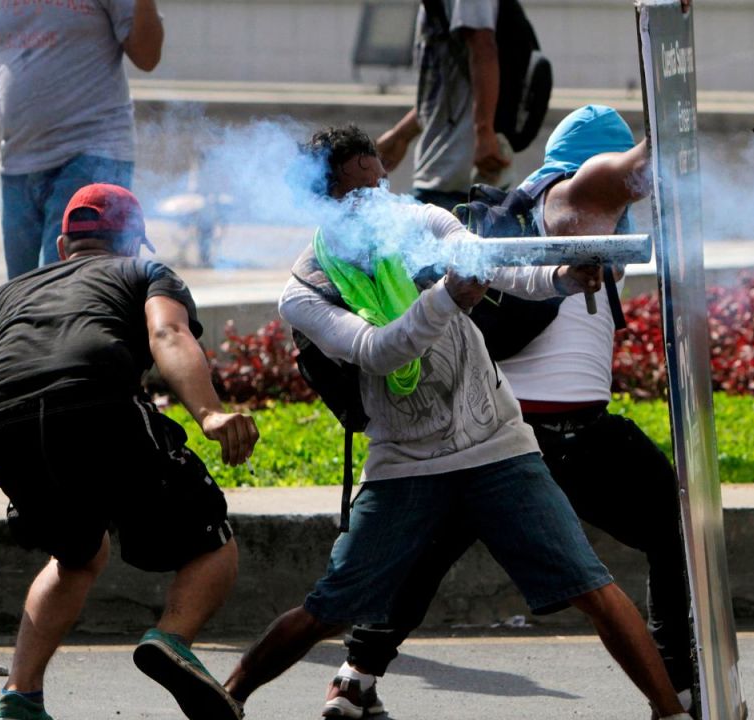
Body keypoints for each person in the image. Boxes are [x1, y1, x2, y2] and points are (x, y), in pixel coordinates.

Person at [219, 125, 692, 720]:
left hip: (497, 444)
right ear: (322, 203)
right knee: (330, 608)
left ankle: (671, 712)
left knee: (592, 588)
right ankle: (226, 698)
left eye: (378, 184)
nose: (375, 201)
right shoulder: (306, 289)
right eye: (355, 192)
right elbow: (378, 351)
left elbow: (490, 263)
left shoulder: (415, 222)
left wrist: (562, 279)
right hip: (406, 461)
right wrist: (447, 297)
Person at [0, 184, 257, 720]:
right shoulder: (143, 273)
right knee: (211, 543)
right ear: (133, 243)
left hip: (7, 431)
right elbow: (169, 332)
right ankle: (171, 640)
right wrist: (209, 413)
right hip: (97, 410)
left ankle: (20, 695)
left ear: (63, 245)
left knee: (76, 556)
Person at [0, 0, 164, 279]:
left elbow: (147, 56)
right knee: (21, 293)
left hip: (91, 155)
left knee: (60, 288)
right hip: (18, 164)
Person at [375, 0, 509, 209]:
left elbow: (483, 46)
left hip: (457, 176)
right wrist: (401, 135)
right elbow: (444, 90)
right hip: (441, 173)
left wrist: (484, 133)